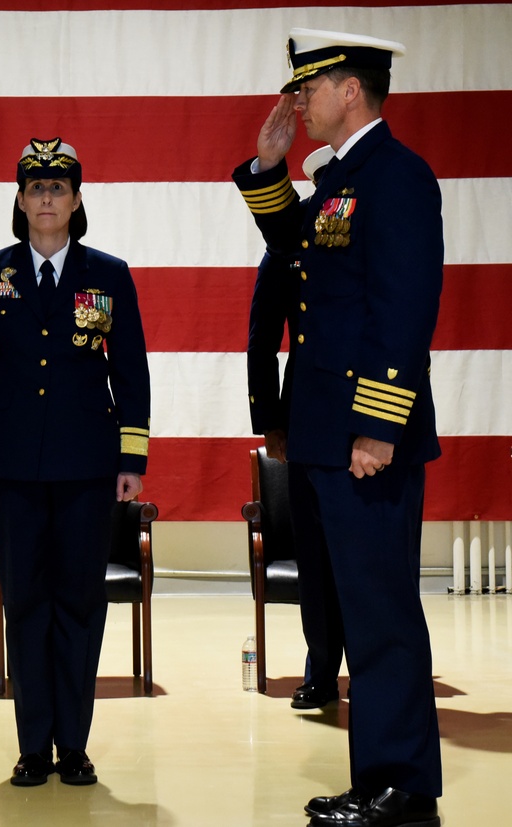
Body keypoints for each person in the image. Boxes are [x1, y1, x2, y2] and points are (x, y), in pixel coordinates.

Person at [233, 28, 444, 827]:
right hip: (328, 434)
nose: (298, 101)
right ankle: (375, 781)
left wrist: (378, 427)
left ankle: (405, 790)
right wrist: (267, 170)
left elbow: (404, 309)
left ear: (348, 90)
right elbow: (296, 250)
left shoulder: (398, 177)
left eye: (307, 89)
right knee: (360, 612)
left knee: (384, 613)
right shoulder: (341, 181)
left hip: (366, 438)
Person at [0, 138, 151, 787]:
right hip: (11, 470)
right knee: (26, 603)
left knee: (79, 603)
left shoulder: (109, 274)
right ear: (19, 199)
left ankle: (74, 743)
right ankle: (32, 745)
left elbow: (131, 372)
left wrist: (132, 455)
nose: (46, 198)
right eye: (34, 187)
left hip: (87, 468)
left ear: (75, 199)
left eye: (57, 187)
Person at [246, 145, 346, 711]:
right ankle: (321, 671)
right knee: (317, 554)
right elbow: (263, 342)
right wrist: (271, 423)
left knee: (374, 555)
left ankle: (377, 673)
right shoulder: (288, 248)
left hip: (365, 415)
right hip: (307, 420)